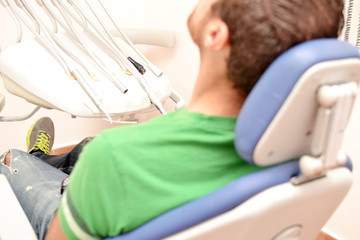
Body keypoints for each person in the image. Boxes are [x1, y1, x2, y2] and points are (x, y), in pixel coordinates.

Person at [0, 0, 344, 239]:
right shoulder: (313, 152)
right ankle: (59, 164)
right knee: (88, 149)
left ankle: (35, 159)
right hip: (125, 184)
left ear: (215, 34)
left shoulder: (116, 156)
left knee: (16, 162)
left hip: (97, 201)